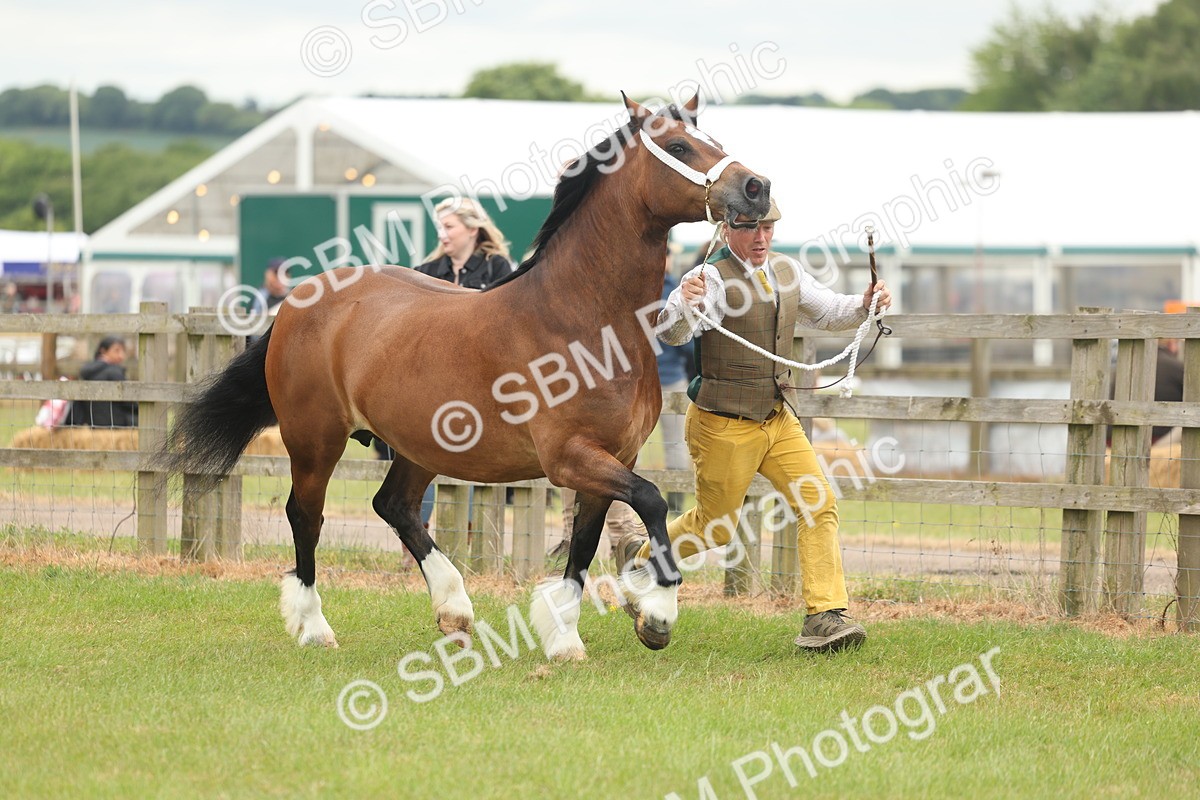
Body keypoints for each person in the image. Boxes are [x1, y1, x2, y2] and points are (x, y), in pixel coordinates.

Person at [616, 199, 892, 653]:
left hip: (777, 418)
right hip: (722, 423)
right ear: (726, 229)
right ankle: (643, 562)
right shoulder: (705, 280)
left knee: (818, 502)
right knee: (714, 529)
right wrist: (685, 305)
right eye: (750, 228)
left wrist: (865, 303)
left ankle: (825, 616)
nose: (761, 237)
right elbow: (671, 333)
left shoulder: (787, 271)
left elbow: (829, 313)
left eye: (767, 227)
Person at [414, 197, 515, 289]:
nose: (441, 235)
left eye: (448, 227)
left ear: (473, 229)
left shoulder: (497, 266)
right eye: (439, 228)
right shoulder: (424, 273)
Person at [658, 248, 692, 514]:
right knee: (676, 446)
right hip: (671, 379)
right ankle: (676, 507)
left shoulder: (635, 288)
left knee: (626, 450)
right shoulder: (675, 292)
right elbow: (687, 345)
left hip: (636, 384)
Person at [65, 336, 138, 428]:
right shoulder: (114, 372)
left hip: (92, 426)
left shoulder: (86, 373)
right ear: (103, 351)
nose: (121, 356)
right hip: (116, 425)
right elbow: (129, 402)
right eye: (117, 350)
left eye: (123, 351)